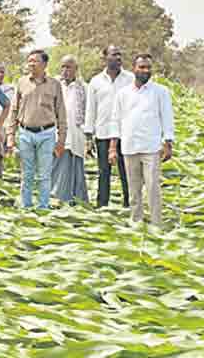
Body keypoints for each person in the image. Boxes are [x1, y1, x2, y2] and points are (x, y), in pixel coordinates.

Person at [108, 54, 175, 227]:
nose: (146, 70)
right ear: (134, 69)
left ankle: (156, 224)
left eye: (148, 67)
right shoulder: (123, 94)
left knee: (153, 188)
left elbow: (167, 118)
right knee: (133, 190)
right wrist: (113, 148)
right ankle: (136, 222)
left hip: (151, 148)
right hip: (129, 147)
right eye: (142, 67)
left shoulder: (160, 92)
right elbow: (115, 120)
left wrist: (168, 143)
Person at [7, 50, 66, 211]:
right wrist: (10, 136)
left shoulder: (54, 84)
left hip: (46, 133)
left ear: (45, 64)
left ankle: (43, 206)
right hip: (25, 133)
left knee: (44, 174)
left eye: (35, 61)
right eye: (29, 61)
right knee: (27, 174)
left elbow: (61, 112)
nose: (31, 64)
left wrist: (61, 140)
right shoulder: (21, 82)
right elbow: (14, 110)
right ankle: (26, 206)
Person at [85, 45, 133, 209]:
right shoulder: (96, 81)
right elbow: (91, 109)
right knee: (103, 171)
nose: (118, 58)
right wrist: (88, 136)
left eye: (119, 55)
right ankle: (102, 205)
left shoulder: (130, 79)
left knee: (126, 171)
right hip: (103, 133)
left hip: (125, 133)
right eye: (114, 54)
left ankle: (129, 204)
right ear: (105, 58)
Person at [52, 55, 88, 204]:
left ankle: (77, 199)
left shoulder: (83, 88)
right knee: (58, 165)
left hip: (76, 133)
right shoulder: (54, 85)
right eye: (63, 67)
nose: (65, 70)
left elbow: (88, 112)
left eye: (69, 67)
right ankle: (58, 197)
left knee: (76, 166)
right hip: (57, 133)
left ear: (76, 69)